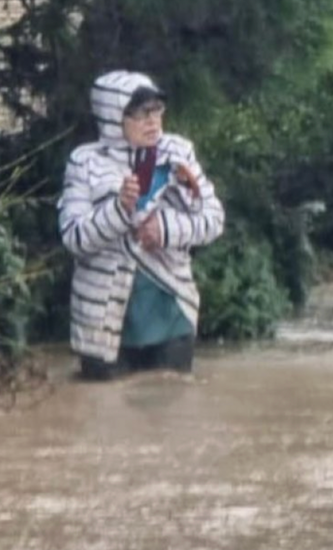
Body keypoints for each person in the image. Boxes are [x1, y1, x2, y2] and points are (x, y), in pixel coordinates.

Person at [57, 71, 225, 380]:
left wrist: (164, 228)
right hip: (102, 323)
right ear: (113, 116)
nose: (153, 121)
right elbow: (73, 237)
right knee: (104, 415)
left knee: (173, 412)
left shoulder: (178, 154)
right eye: (141, 113)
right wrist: (119, 210)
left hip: (170, 310)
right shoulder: (85, 163)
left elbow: (213, 219)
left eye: (157, 110)